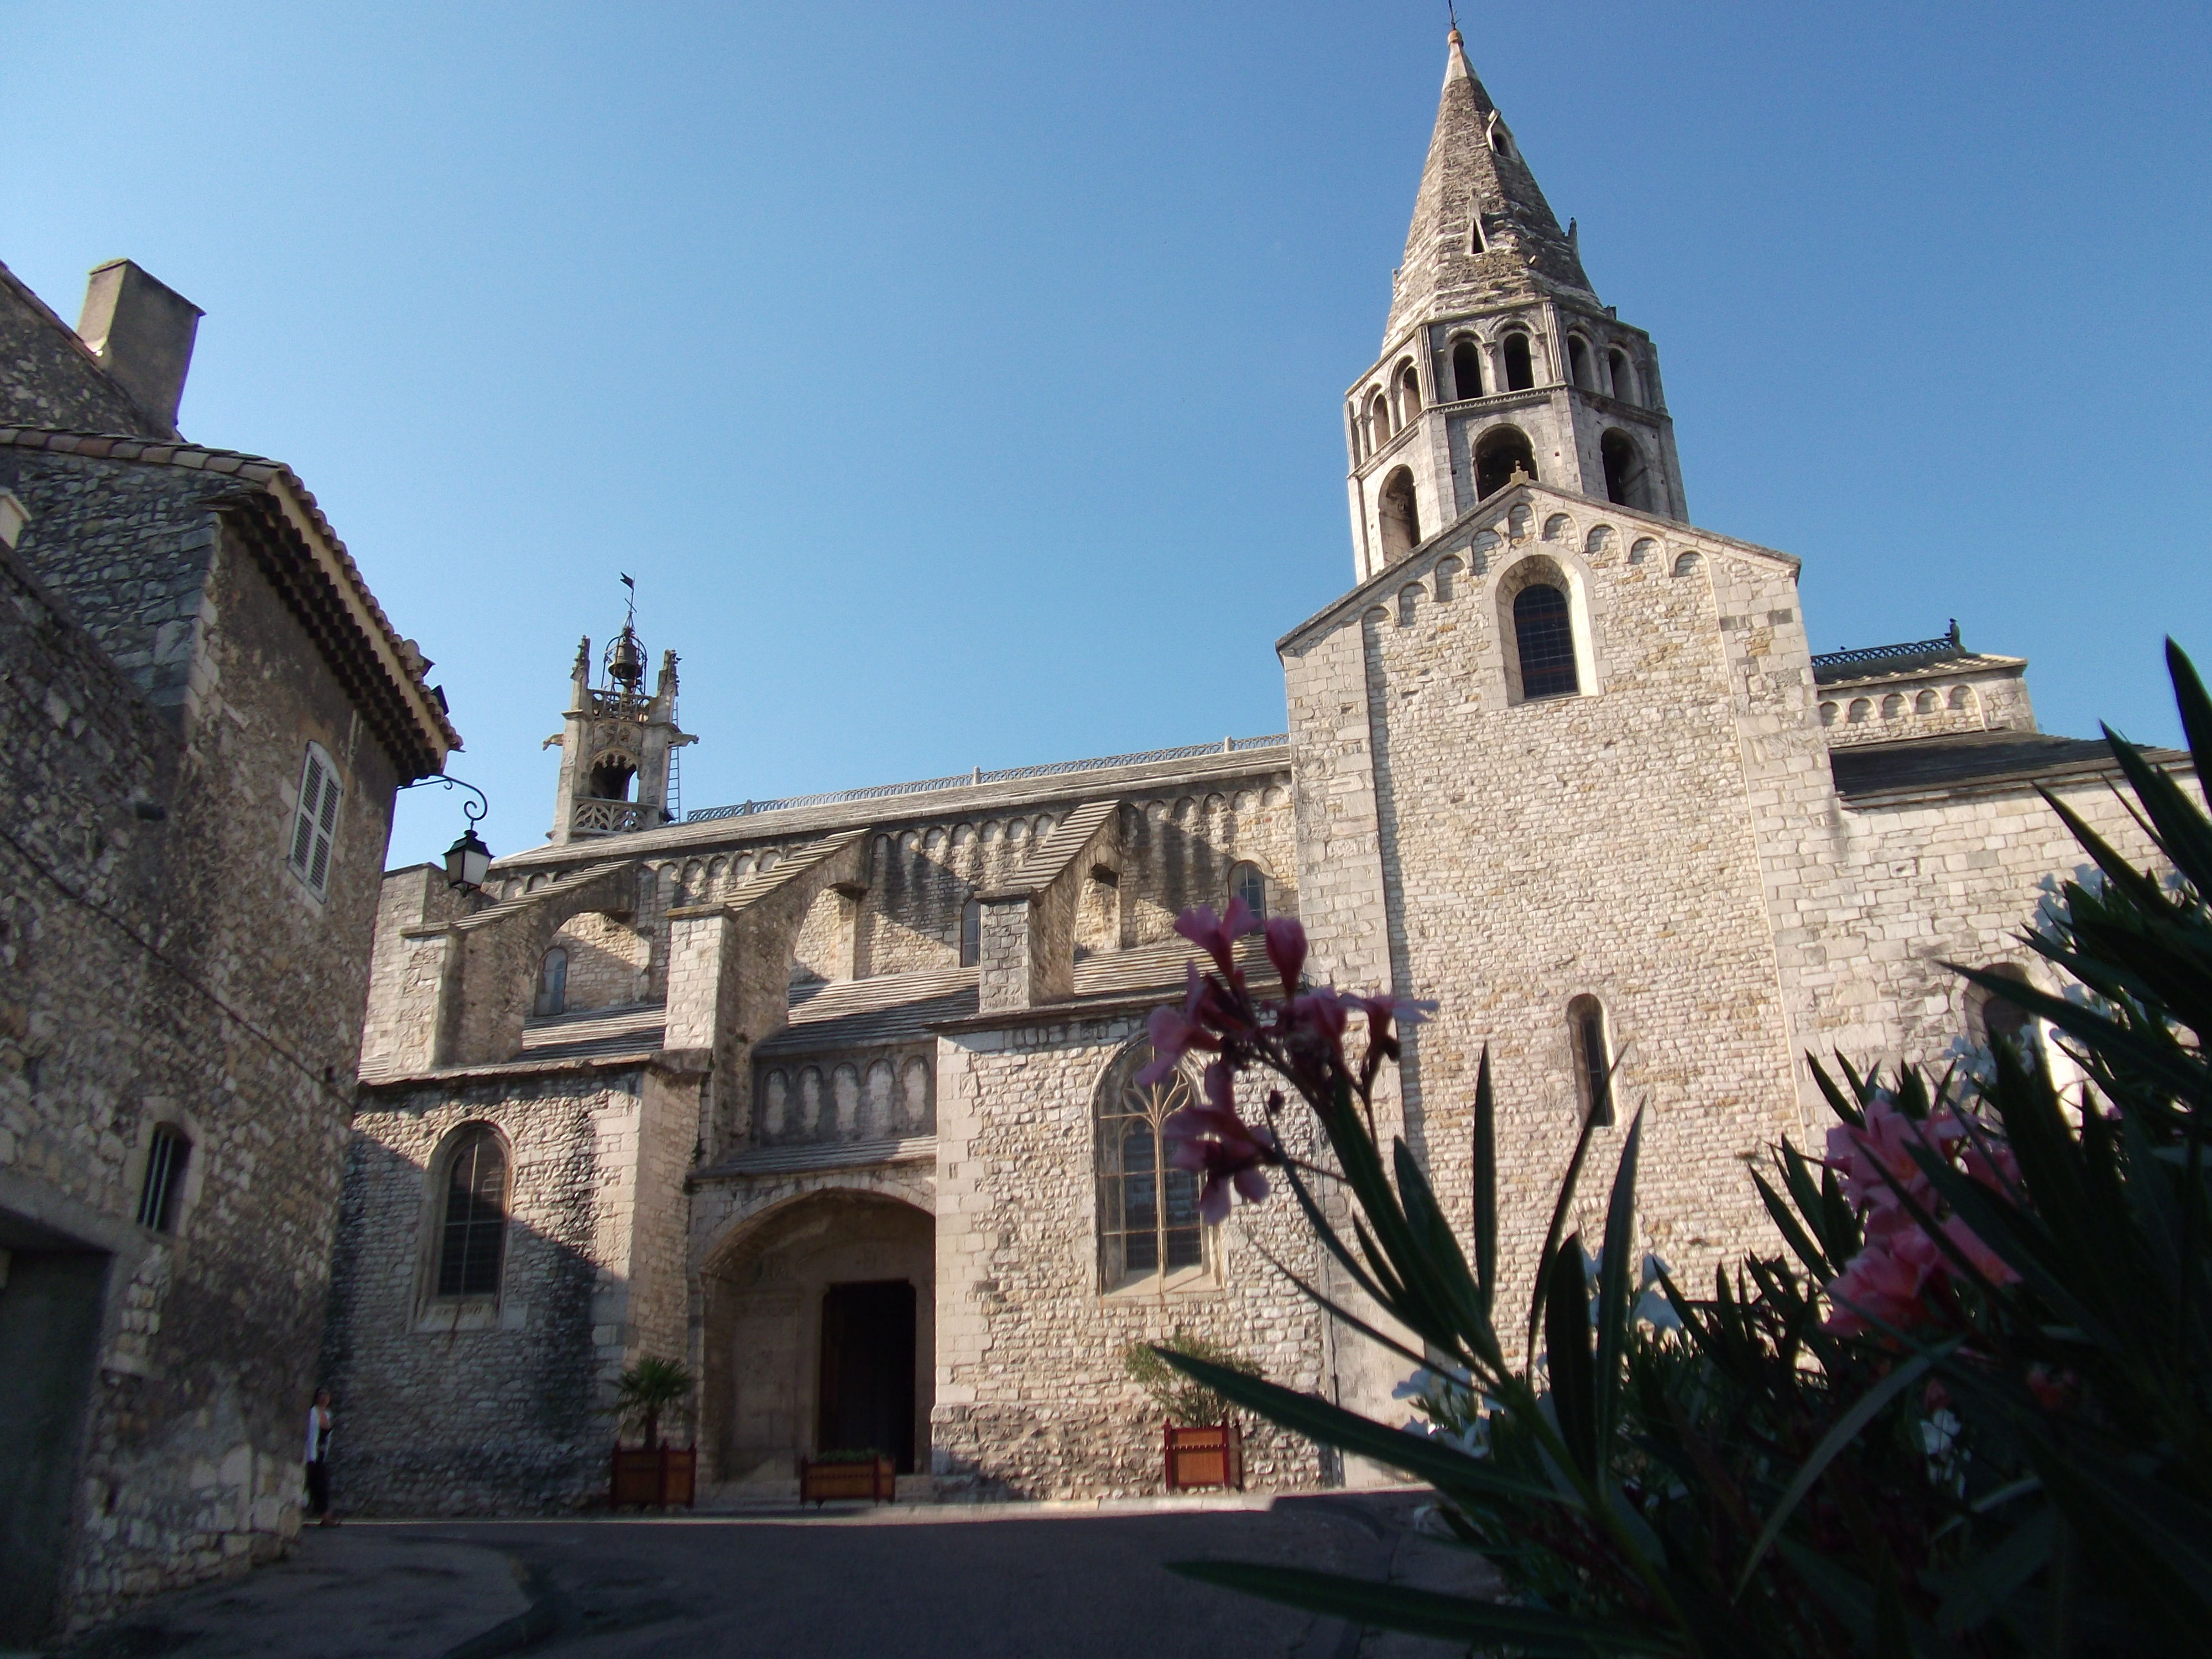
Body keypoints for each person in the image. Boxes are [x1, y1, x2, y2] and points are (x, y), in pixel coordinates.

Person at [304, 1387, 338, 1527]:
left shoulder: (328, 1414)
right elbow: (310, 1435)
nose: (324, 1399)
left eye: (327, 1396)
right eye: (322, 1396)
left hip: (322, 1455)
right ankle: (324, 1515)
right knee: (312, 1484)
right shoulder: (312, 1413)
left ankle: (325, 1516)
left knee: (320, 1484)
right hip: (311, 1454)